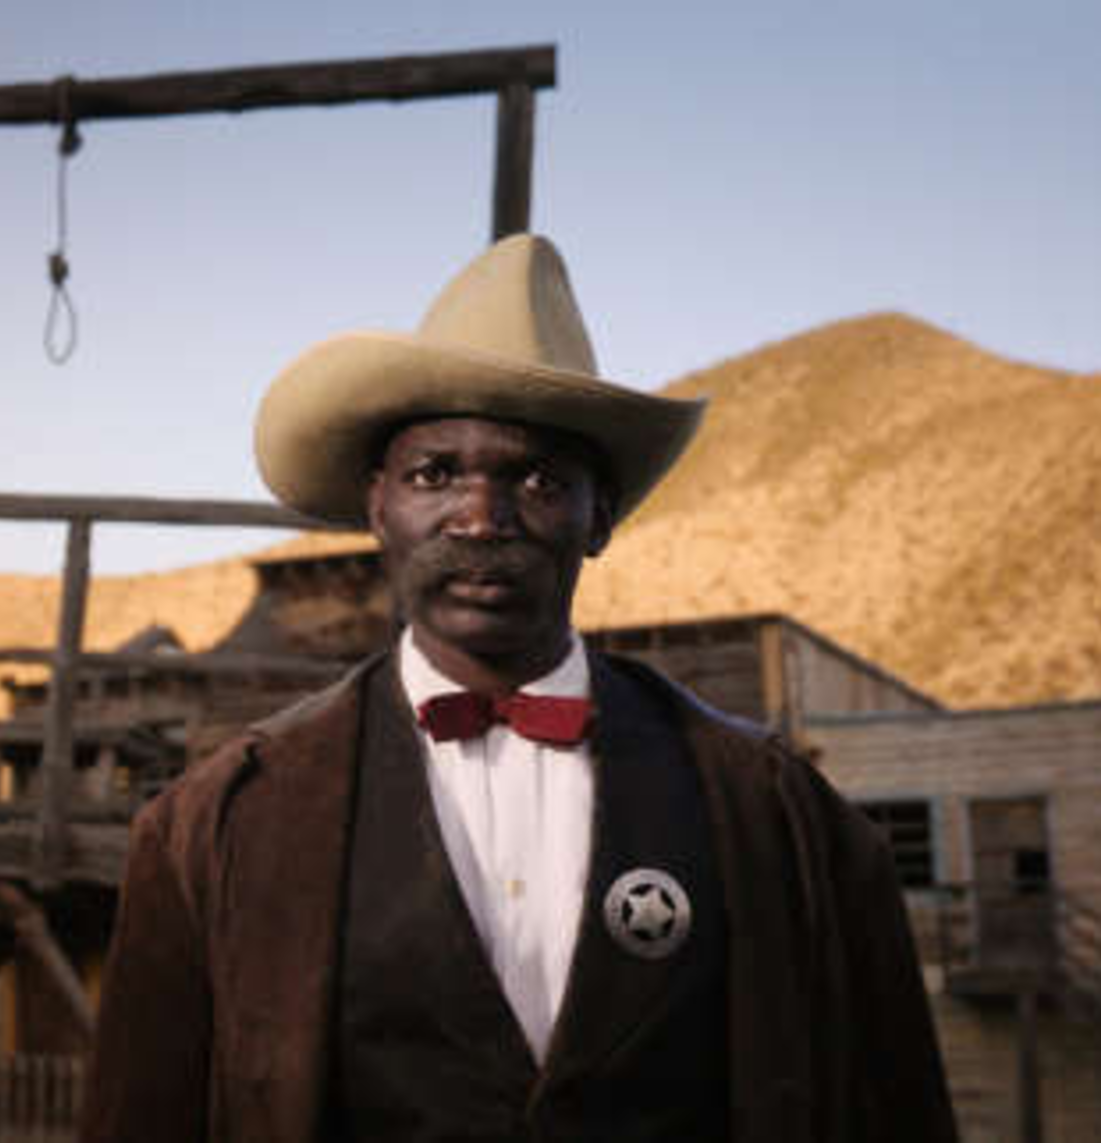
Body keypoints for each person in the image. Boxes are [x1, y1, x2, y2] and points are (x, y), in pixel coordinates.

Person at [79, 235, 957, 1142]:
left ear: (600, 515)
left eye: (537, 478)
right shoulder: (221, 825)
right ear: (378, 504)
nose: (481, 518)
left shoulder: (773, 813)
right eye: (435, 474)